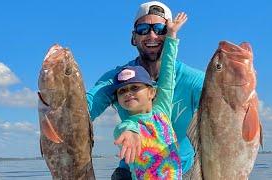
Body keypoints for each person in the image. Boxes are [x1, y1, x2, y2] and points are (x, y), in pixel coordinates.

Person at [86, 1, 205, 179]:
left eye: (160, 29)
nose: (152, 35)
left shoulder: (191, 82)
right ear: (133, 37)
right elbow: (83, 110)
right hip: (133, 172)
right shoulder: (119, 78)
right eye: (143, 29)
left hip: (183, 171)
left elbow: (229, 103)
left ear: (152, 92)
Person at [110, 12, 186, 179]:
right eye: (122, 91)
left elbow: (168, 70)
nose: (128, 92)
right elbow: (125, 131)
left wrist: (172, 35)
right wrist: (130, 135)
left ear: (152, 92)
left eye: (135, 87)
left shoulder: (162, 109)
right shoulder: (129, 125)